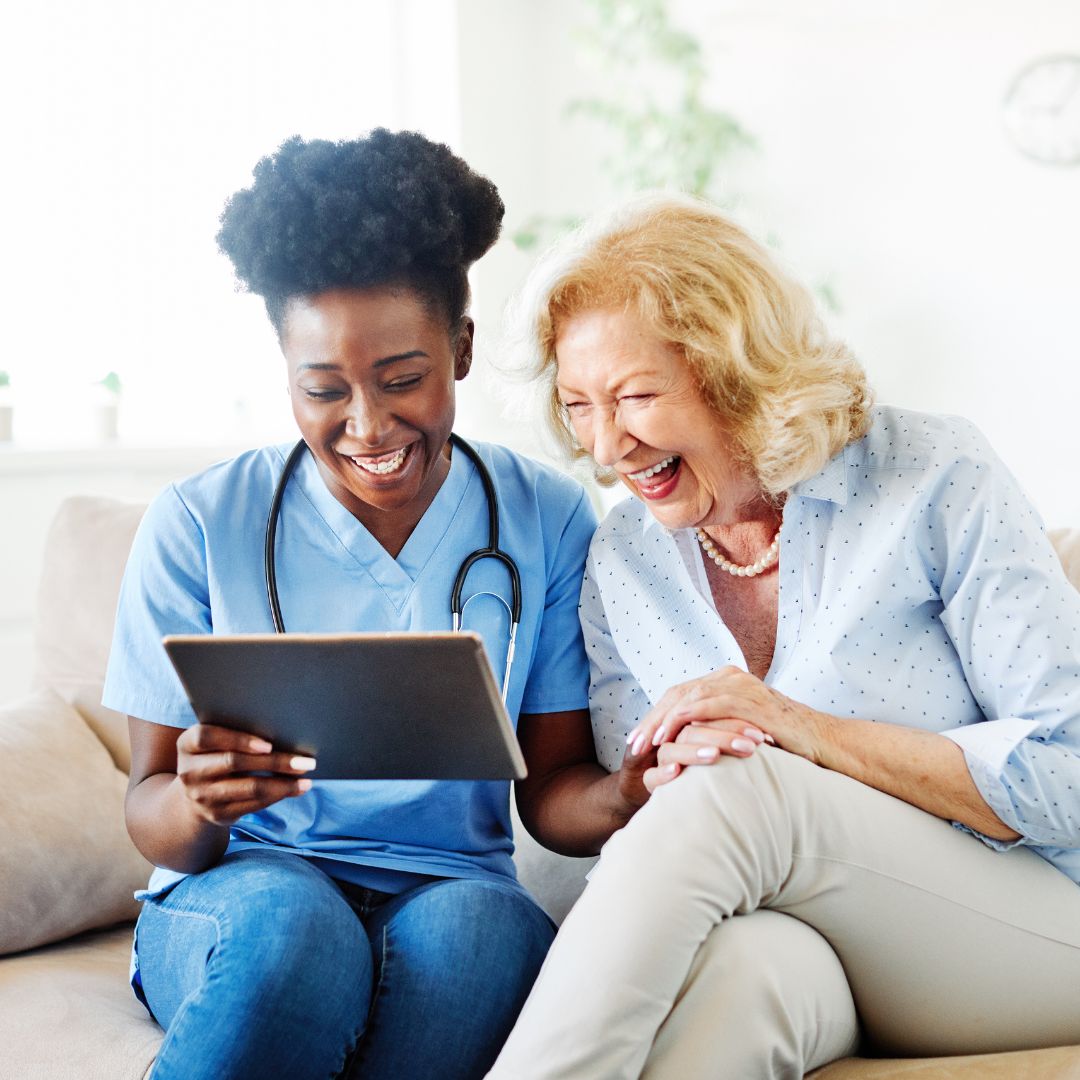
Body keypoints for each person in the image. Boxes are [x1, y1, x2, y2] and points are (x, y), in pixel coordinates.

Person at [486, 194, 1080, 1079]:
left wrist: (804, 732)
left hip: (1035, 925)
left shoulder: (932, 473)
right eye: (579, 406)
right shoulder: (626, 558)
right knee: (743, 974)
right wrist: (644, 785)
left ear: (737, 372)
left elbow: (1067, 771)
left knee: (745, 783)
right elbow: (658, 826)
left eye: (636, 397)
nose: (607, 446)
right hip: (828, 946)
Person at [102, 129, 597, 1080]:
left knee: (485, 940)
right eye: (322, 388)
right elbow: (149, 807)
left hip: (454, 885)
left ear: (459, 347)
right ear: (283, 367)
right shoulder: (199, 522)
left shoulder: (549, 517)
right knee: (299, 929)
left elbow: (553, 792)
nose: (367, 426)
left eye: (402, 379)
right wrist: (202, 802)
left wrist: (631, 796)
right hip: (247, 886)